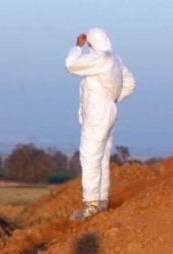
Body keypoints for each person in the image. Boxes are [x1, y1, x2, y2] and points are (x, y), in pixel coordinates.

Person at [65, 28, 135, 221]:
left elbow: (71, 64)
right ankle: (102, 200)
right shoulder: (115, 59)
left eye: (89, 45)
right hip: (108, 111)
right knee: (102, 156)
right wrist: (112, 99)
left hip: (97, 114)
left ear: (93, 44)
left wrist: (76, 47)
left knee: (90, 157)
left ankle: (91, 205)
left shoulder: (101, 58)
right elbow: (130, 84)